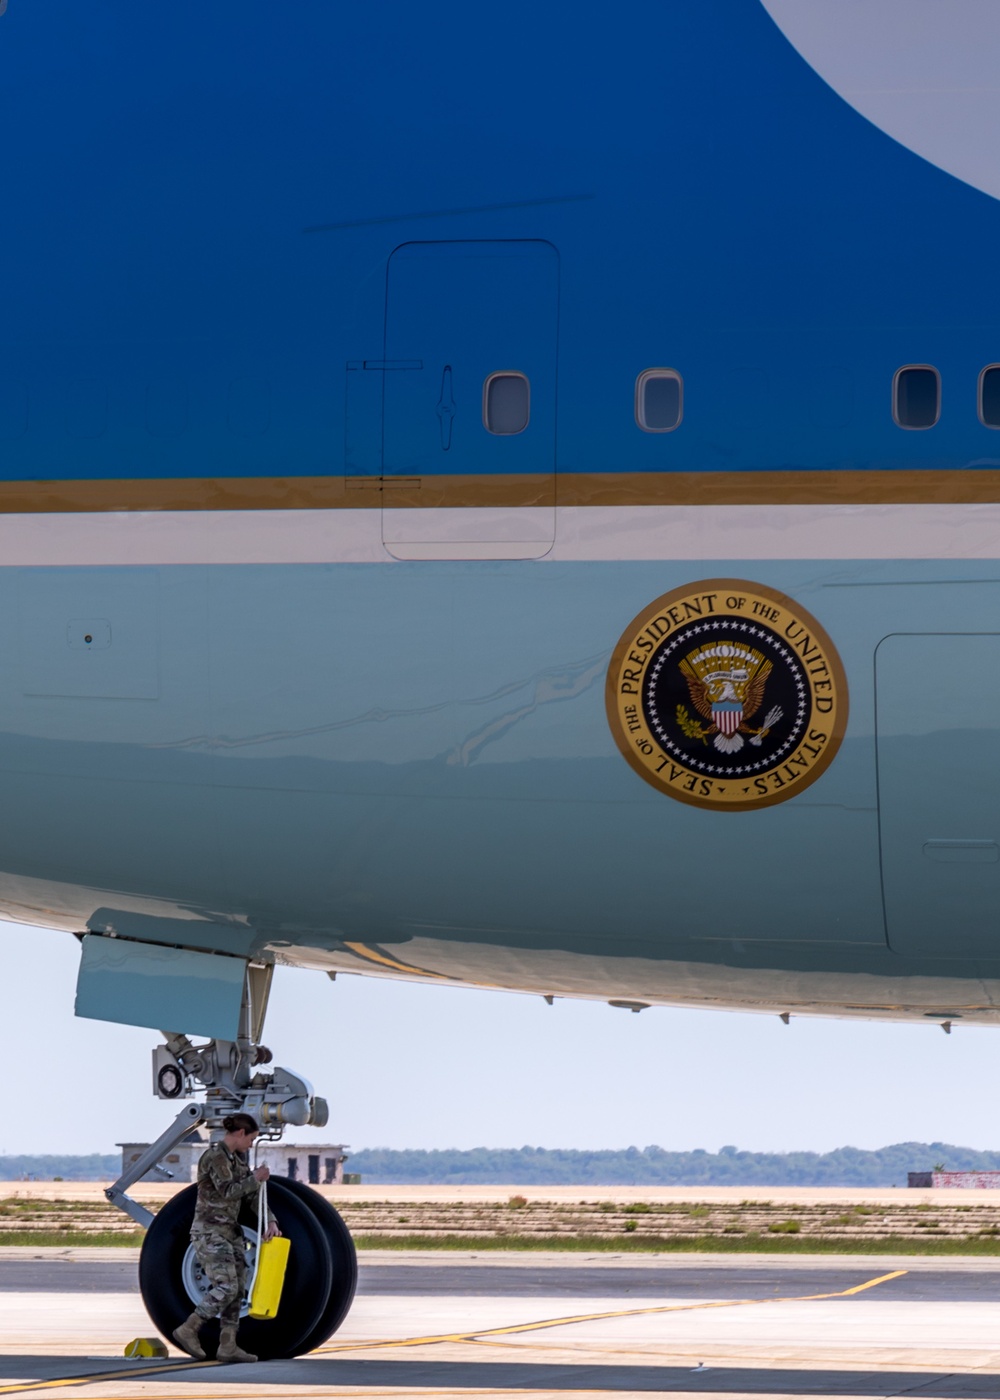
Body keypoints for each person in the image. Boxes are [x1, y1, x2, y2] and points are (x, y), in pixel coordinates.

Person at [172, 1112, 281, 1363]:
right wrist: (255, 1178)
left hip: (230, 1233)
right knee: (227, 1286)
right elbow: (228, 1191)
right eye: (251, 1138)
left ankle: (228, 1345)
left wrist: (271, 1219)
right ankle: (189, 1328)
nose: (251, 1144)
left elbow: (252, 1197)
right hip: (209, 1232)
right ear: (240, 1133)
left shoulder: (237, 1161)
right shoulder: (215, 1157)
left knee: (238, 1289)